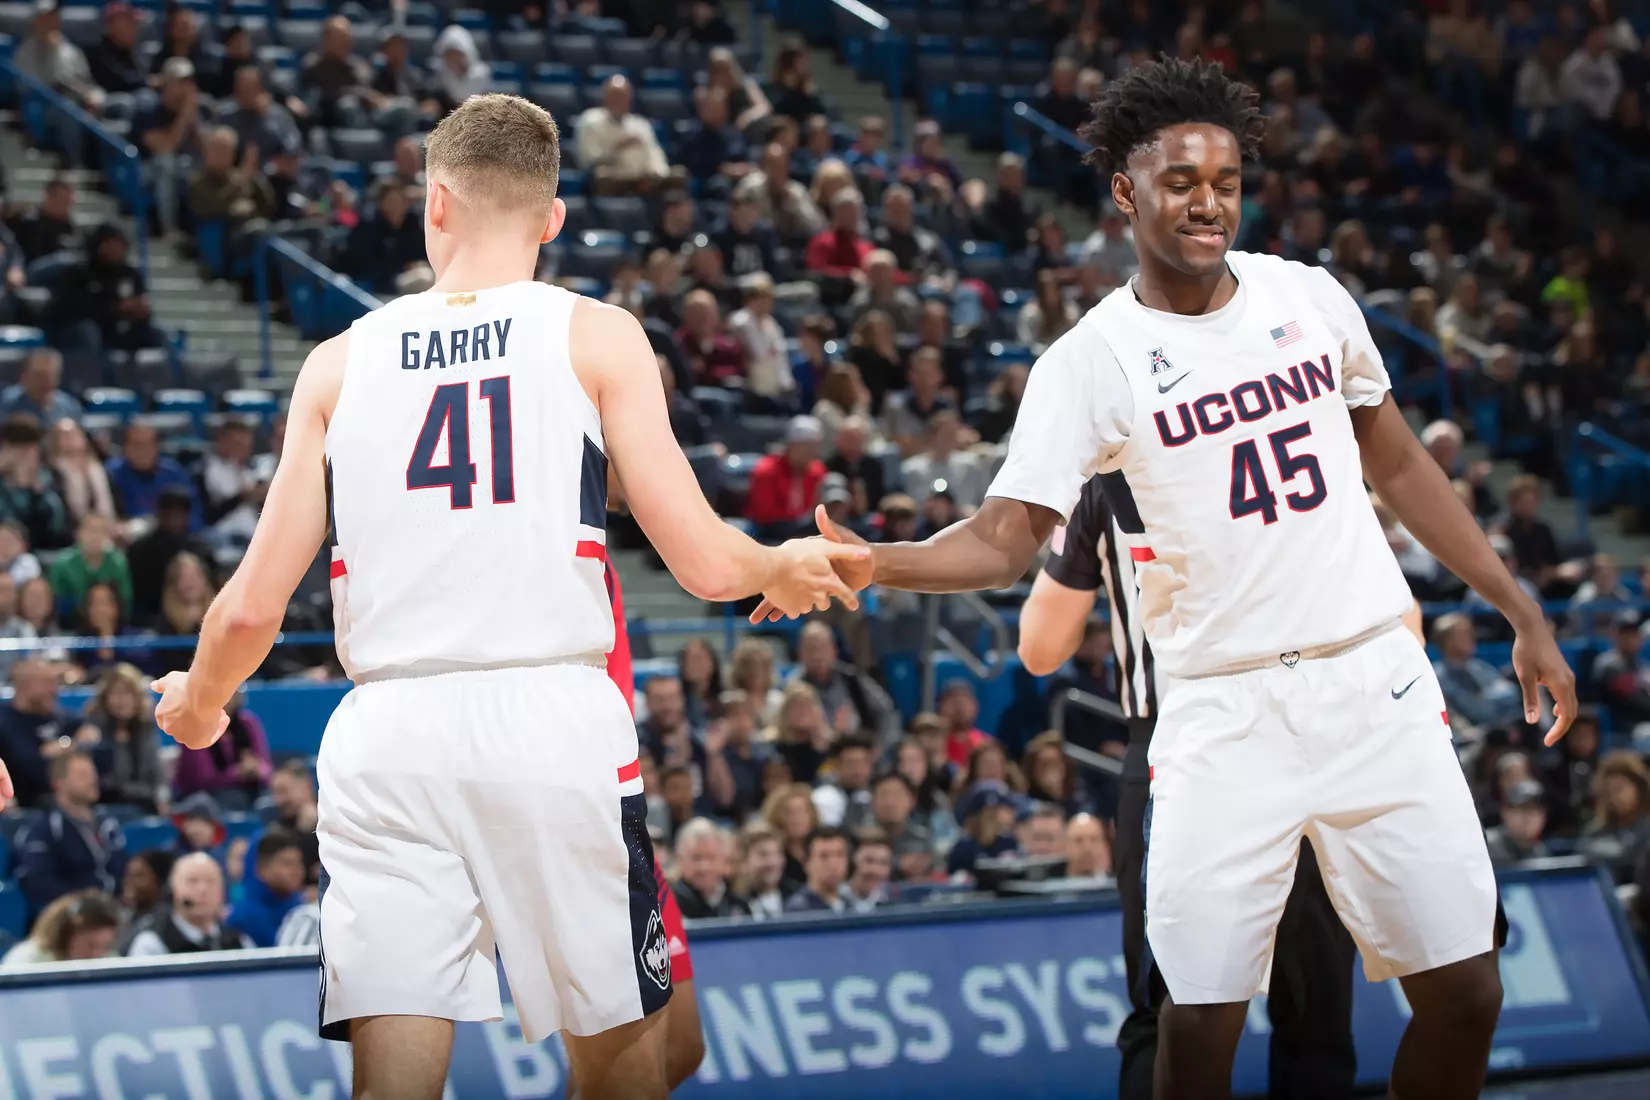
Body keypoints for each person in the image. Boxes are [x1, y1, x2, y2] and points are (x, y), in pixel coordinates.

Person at [751, 58, 1576, 1100]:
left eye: (1225, 178)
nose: (1209, 199)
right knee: (1196, 1031)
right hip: (1220, 713)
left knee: (1467, 994)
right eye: (1181, 179)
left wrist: (1520, 603)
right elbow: (1008, 537)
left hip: (1377, 683)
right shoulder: (1091, 360)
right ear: (1128, 189)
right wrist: (881, 561)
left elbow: (1402, 463)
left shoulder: (1308, 296)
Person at [147, 93, 862, 1100]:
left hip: (388, 727)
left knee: (394, 1073)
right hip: (550, 718)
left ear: (433, 204)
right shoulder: (598, 334)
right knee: (623, 1057)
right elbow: (703, 562)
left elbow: (251, 610)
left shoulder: (336, 365)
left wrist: (204, 699)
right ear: (554, 218)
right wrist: (778, 565)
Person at [1020, 471, 1359, 1098]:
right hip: (1299, 735)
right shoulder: (1285, 441)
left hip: (1172, 746)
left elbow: (1040, 649)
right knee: (1315, 999)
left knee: (1169, 1002)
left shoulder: (1104, 479)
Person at [14, 751, 127, 921]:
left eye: (93, 773)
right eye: (82, 774)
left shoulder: (107, 823)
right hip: (73, 918)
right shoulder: (44, 830)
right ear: (59, 783)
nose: (92, 779)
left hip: (116, 910)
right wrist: (84, 905)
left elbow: (122, 869)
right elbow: (39, 882)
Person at [125, 852, 251, 955]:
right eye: (192, 881)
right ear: (173, 889)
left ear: (223, 892)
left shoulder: (238, 942)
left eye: (211, 881)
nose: (202, 890)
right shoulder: (152, 944)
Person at [0, 888, 122, 969]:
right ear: (66, 935)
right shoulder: (28, 961)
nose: (96, 954)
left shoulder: (109, 959)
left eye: (103, 946)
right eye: (90, 944)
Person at [227, 829, 308, 948]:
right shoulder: (241, 919)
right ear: (262, 868)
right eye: (287, 863)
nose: (296, 871)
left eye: (299, 863)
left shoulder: (303, 911)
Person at [0, 348, 84, 426]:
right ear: (24, 377)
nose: (47, 382)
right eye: (40, 376)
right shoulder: (5, 403)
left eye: (52, 376)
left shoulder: (70, 407)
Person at [782, 826, 851, 913]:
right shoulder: (797, 910)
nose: (833, 863)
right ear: (807, 863)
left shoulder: (853, 905)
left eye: (839, 855)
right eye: (824, 856)